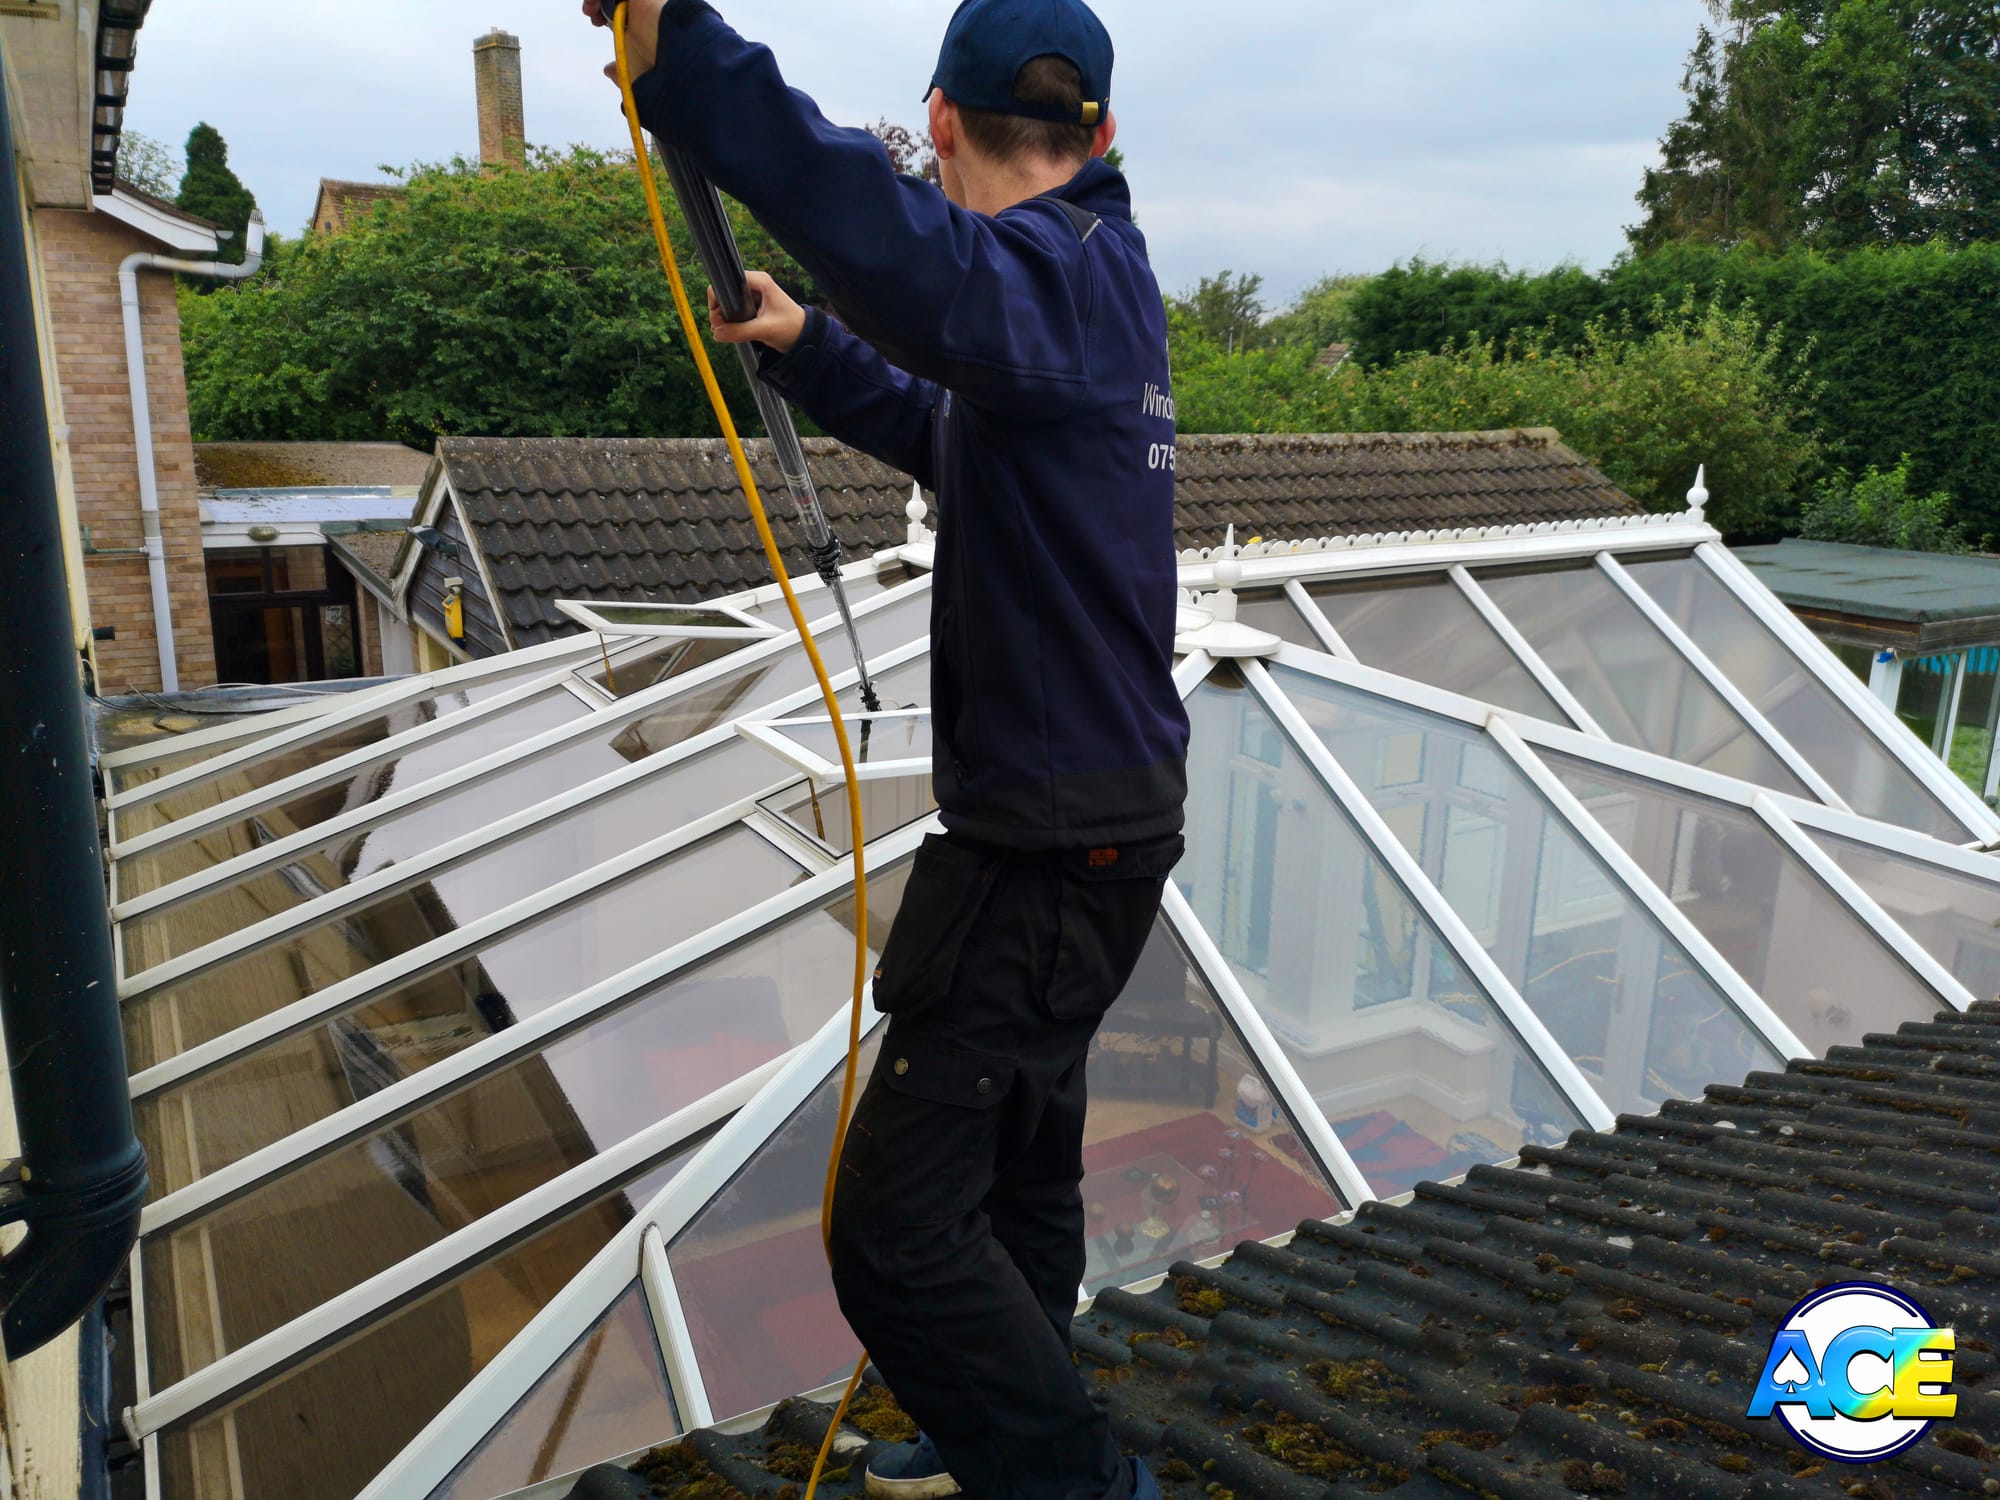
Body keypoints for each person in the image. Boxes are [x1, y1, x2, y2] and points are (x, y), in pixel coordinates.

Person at [586, 2, 1189, 1496]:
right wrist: (804, 347)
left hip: (1045, 844)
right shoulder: (1084, 295)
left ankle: (1073, 1486)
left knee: (898, 1235)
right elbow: (950, 425)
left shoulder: (1054, 280)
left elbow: (917, 269)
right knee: (1020, 1165)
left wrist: (687, 58)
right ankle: (995, 1445)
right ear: (1100, 131)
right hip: (1095, 822)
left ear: (935, 121)